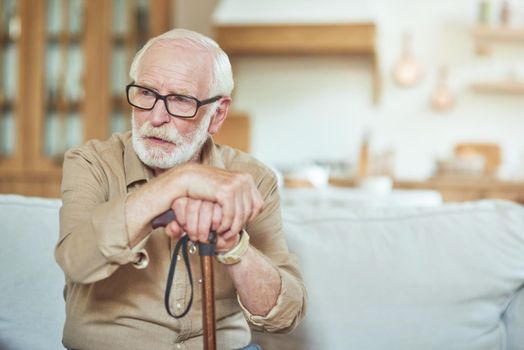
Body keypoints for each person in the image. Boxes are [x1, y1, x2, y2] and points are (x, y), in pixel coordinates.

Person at [55, 28, 307, 350]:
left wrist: (234, 246)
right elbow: (76, 259)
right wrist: (179, 181)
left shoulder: (251, 179)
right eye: (146, 93)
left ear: (217, 114)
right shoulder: (91, 162)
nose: (156, 117)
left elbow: (285, 316)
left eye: (180, 100)